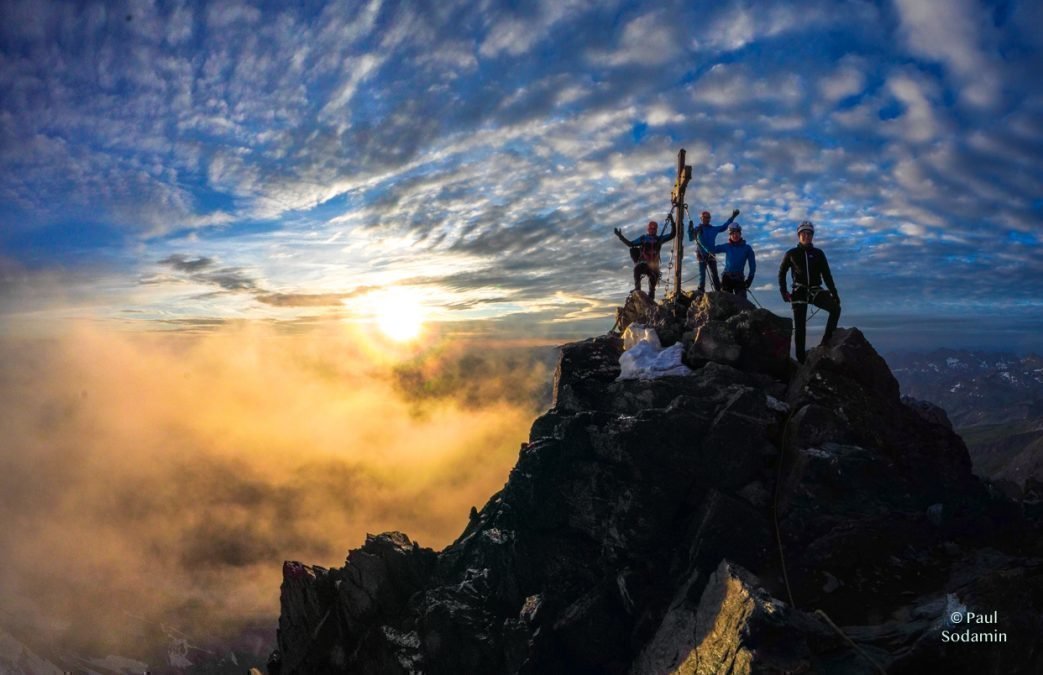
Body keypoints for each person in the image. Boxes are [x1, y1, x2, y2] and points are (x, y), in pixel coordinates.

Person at [778, 220, 841, 363]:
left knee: (835, 309)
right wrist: (783, 291)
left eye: (809, 233)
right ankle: (801, 360)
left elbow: (827, 275)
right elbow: (781, 273)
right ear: (799, 235)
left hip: (815, 290)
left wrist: (834, 293)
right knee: (800, 327)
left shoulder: (819, 254)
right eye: (804, 233)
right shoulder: (791, 253)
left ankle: (826, 341)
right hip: (799, 290)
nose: (807, 236)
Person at [614, 216, 676, 301]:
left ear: (656, 230)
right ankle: (637, 289)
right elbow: (630, 244)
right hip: (644, 264)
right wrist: (620, 236)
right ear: (648, 229)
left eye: (654, 229)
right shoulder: (643, 238)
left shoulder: (659, 239)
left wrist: (672, 221)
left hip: (653, 265)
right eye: (651, 228)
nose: (653, 230)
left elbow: (672, 234)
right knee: (637, 270)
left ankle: (651, 296)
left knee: (653, 278)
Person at [688, 209, 739, 292]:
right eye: (705, 217)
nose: (707, 219)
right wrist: (690, 228)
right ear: (701, 218)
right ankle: (701, 290)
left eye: (708, 217)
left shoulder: (713, 229)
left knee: (714, 275)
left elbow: (724, 227)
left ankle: (718, 290)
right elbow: (691, 237)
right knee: (702, 275)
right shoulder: (698, 229)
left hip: (711, 255)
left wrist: (732, 217)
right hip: (701, 255)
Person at [711, 222, 756, 299]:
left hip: (739, 278)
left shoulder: (747, 248)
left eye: (737, 232)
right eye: (732, 233)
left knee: (742, 301)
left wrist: (750, 279)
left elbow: (752, 265)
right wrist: (701, 246)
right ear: (730, 235)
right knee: (725, 301)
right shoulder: (727, 246)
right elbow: (712, 249)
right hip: (727, 277)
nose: (735, 235)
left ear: (740, 233)